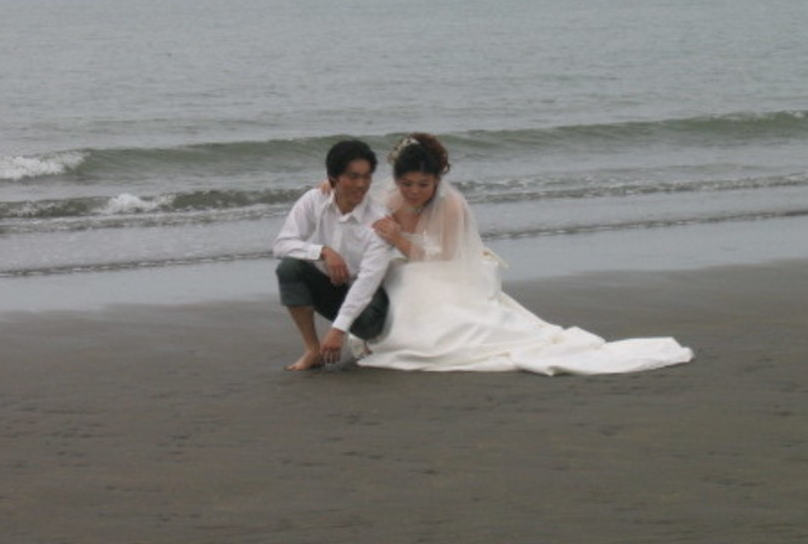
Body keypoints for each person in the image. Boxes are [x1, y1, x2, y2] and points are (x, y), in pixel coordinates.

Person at [360, 133, 694, 375]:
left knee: (418, 293)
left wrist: (399, 240)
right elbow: (361, 223)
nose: (414, 191)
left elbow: (443, 256)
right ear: (396, 179)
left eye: (423, 184)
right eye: (407, 184)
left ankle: (411, 339)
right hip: (412, 263)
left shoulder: (450, 205)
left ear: (436, 180)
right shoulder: (390, 199)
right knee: (396, 277)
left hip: (447, 268)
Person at [272, 139, 392, 371]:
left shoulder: (379, 219)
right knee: (289, 268)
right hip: (330, 287)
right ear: (333, 177)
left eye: (366, 177)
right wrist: (323, 252)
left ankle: (359, 336)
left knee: (368, 325)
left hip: (368, 303)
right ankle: (312, 350)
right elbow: (281, 244)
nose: (361, 184)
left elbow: (368, 282)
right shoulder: (314, 199)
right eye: (353, 177)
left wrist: (338, 330)